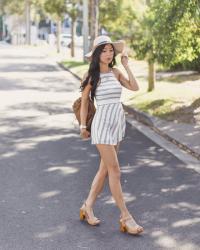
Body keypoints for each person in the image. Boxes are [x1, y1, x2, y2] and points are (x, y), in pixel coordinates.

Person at [79, 35, 144, 235]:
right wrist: (83, 126)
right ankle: (126, 217)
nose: (108, 54)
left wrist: (126, 66)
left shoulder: (116, 72)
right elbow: (83, 102)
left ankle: (87, 206)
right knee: (115, 170)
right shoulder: (91, 76)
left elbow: (135, 87)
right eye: (104, 50)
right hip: (102, 125)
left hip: (117, 124)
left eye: (110, 50)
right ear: (97, 54)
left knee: (105, 170)